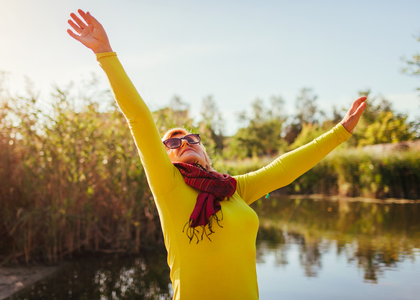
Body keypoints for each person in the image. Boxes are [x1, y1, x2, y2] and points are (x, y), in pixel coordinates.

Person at [67, 9, 366, 300]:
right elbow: (139, 119)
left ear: (205, 152)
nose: (183, 142)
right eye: (172, 143)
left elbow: (284, 168)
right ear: (166, 158)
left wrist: (341, 131)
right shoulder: (168, 185)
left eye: (189, 138)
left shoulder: (235, 190)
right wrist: (105, 53)